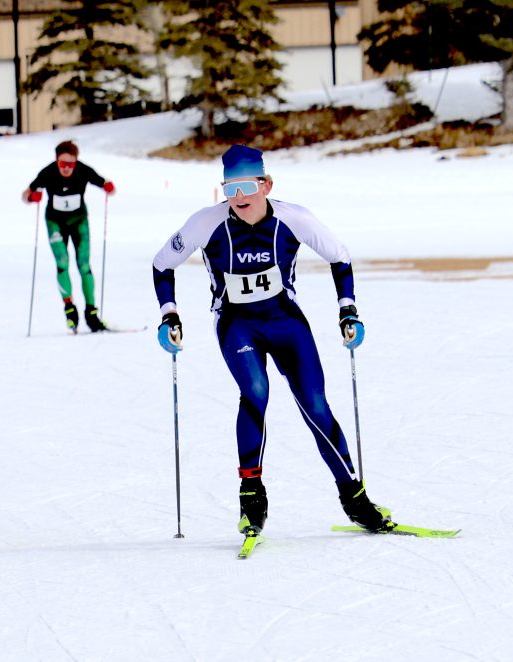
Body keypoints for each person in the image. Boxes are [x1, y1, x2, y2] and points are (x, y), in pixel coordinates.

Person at [151, 145, 392, 540]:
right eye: (230, 189)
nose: (240, 197)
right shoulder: (206, 223)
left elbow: (340, 256)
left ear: (266, 184)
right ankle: (251, 496)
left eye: (247, 186)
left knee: (315, 406)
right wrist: (169, 314)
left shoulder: (294, 218)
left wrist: (347, 309)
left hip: (285, 322)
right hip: (236, 324)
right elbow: (163, 264)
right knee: (255, 391)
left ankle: (355, 499)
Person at [22, 140, 115, 333]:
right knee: (62, 262)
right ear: (56, 161)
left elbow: (106, 185)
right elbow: (26, 194)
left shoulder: (83, 170)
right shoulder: (47, 172)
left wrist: (108, 187)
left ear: (76, 162)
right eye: (62, 164)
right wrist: (32, 198)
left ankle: (91, 313)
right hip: (55, 222)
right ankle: (69, 308)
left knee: (84, 264)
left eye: (70, 164)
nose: (66, 168)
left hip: (78, 221)